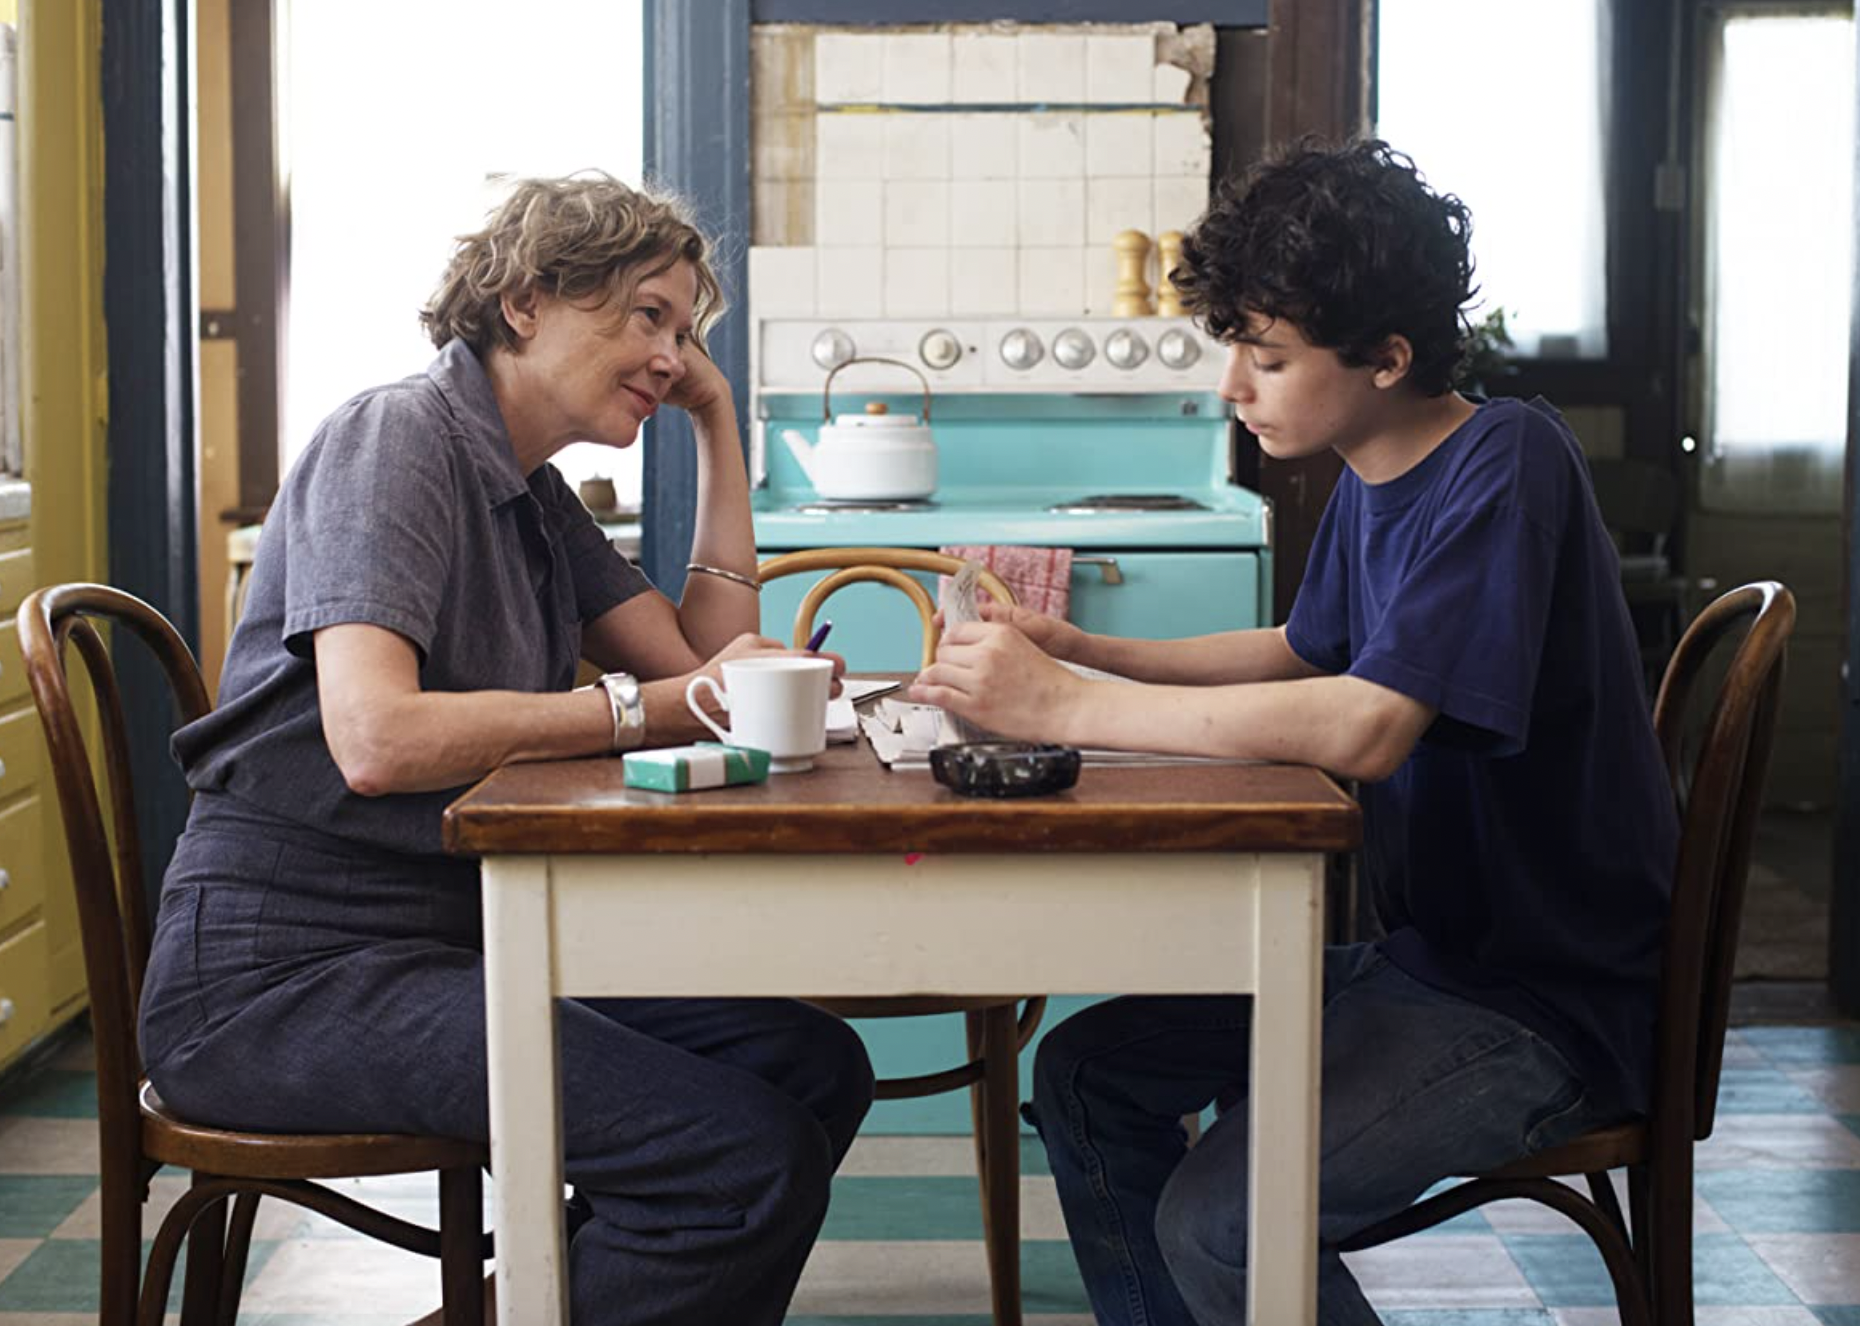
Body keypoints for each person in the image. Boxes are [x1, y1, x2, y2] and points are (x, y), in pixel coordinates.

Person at [909, 139, 1676, 1325]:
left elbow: (1366, 725)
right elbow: (1306, 653)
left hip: (1545, 1007)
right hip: (1431, 965)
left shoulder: (1506, 461)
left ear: (1387, 359)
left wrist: (1067, 711)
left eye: (1266, 357)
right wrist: (1085, 653)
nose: (1233, 387)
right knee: (1083, 1073)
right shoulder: (1378, 477)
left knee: (1228, 1228)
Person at [138, 174, 875, 1325]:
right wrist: (639, 713)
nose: (673, 356)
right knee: (742, 1161)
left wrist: (722, 428)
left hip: (448, 943)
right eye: (647, 317)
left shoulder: (528, 489)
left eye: (685, 333)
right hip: (281, 974)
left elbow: (697, 672)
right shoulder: (398, 439)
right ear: (527, 301)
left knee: (812, 1066)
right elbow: (376, 740)